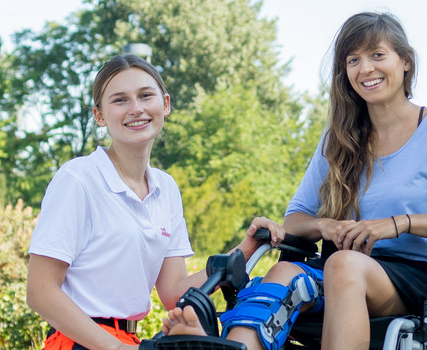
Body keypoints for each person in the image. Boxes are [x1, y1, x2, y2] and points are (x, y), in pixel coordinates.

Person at [163, 11, 427, 350]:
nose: (366, 68)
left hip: (420, 279)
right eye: (353, 59)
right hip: (338, 271)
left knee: (342, 264)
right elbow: (295, 219)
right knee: (282, 275)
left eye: (377, 55)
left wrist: (398, 224)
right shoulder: (339, 138)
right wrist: (326, 226)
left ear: (405, 61)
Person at [26, 54, 285, 350]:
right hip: (79, 342)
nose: (136, 109)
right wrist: (119, 349)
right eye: (120, 100)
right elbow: (40, 291)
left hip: (130, 341)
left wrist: (245, 248)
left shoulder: (166, 187)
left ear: (165, 104)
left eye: (145, 96)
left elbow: (174, 294)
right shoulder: (79, 178)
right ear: (99, 116)